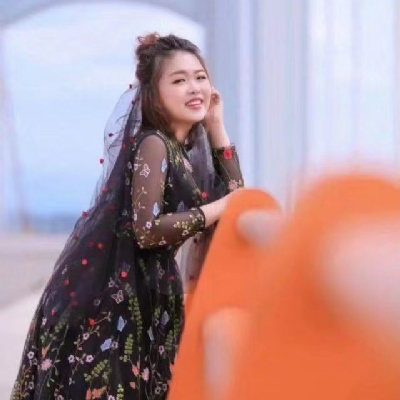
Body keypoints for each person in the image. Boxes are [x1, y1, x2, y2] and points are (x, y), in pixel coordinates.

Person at [10, 32, 244, 400]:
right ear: (153, 94)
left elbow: (236, 197)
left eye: (200, 77)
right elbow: (147, 230)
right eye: (179, 80)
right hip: (115, 303)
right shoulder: (153, 144)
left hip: (148, 296)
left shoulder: (183, 151)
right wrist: (216, 209)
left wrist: (217, 126)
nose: (194, 87)